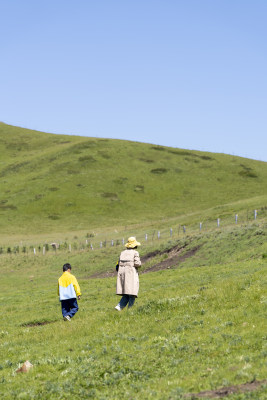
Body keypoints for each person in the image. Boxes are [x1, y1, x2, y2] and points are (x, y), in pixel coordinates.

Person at [115, 237, 142, 311]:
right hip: (131, 274)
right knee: (132, 292)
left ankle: (119, 307)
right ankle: (130, 308)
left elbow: (118, 263)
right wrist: (140, 264)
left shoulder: (122, 253)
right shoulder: (135, 253)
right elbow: (137, 264)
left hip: (122, 274)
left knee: (126, 292)